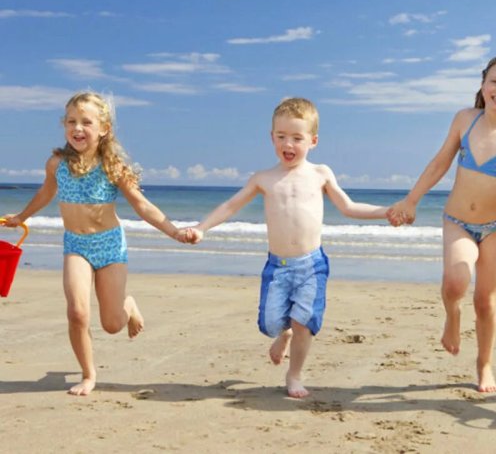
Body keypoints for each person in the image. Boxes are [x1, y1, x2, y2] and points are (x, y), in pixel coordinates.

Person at [182, 97, 388, 399]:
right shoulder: (264, 178)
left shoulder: (321, 174)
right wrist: (201, 228)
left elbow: (349, 206)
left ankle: (294, 375)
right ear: (271, 138)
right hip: (277, 266)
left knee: (305, 321)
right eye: (281, 137)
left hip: (312, 265)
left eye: (296, 138)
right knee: (269, 323)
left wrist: (387, 211)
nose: (288, 144)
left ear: (313, 140)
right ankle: (284, 334)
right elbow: (231, 205)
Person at [1, 91, 185, 396]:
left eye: (87, 122)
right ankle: (89, 374)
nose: (78, 128)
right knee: (77, 312)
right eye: (71, 121)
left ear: (104, 129)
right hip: (76, 246)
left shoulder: (113, 167)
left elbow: (142, 205)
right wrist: (21, 216)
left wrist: (174, 231)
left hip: (110, 247)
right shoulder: (56, 163)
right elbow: (46, 194)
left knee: (112, 324)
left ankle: (128, 304)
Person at [387, 54, 496, 393]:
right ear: (483, 84)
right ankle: (452, 314)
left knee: (486, 301)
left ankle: (484, 365)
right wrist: (411, 200)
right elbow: (440, 162)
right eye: (494, 81)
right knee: (456, 282)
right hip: (457, 220)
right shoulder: (465, 119)